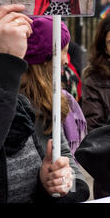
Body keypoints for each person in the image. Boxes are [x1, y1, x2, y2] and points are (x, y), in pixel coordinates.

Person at [0, 4, 87, 202]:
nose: (66, 60)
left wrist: (58, 186)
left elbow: (66, 164)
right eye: (61, 51)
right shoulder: (9, 98)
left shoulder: (47, 104)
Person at [21, 17, 88, 166]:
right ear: (43, 58)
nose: (66, 60)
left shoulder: (57, 98)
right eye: (62, 52)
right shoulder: (20, 103)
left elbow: (65, 155)